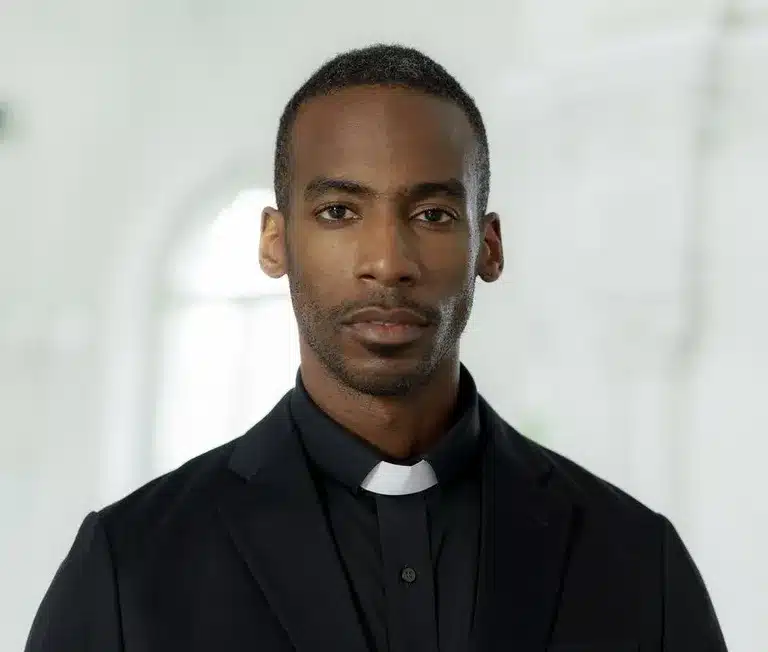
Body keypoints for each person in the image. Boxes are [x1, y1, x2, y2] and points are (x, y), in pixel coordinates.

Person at [25, 44, 727, 652]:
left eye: (432, 214)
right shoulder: (128, 566)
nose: (387, 262)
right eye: (338, 212)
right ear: (275, 241)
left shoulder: (637, 560)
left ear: (487, 245)